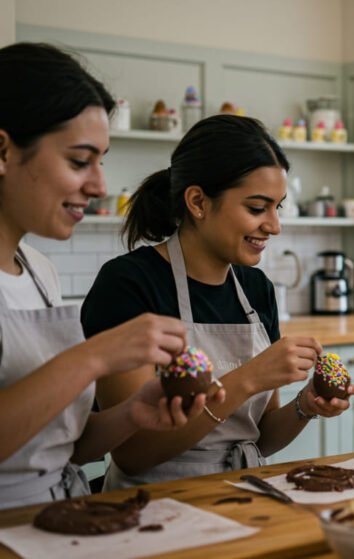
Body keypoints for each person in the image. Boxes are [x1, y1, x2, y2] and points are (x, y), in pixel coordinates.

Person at [80, 115, 354, 489]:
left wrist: (305, 406)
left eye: (278, 207)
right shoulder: (129, 284)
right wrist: (248, 378)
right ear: (197, 202)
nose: (274, 226)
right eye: (257, 208)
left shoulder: (256, 288)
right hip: (153, 504)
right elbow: (132, 454)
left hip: (245, 492)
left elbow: (259, 438)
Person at [0, 43, 206, 509]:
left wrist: (134, 412)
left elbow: (62, 450)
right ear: (4, 150)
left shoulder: (39, 272)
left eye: (101, 160)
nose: (99, 186)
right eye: (79, 161)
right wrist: (94, 357)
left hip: (58, 515)